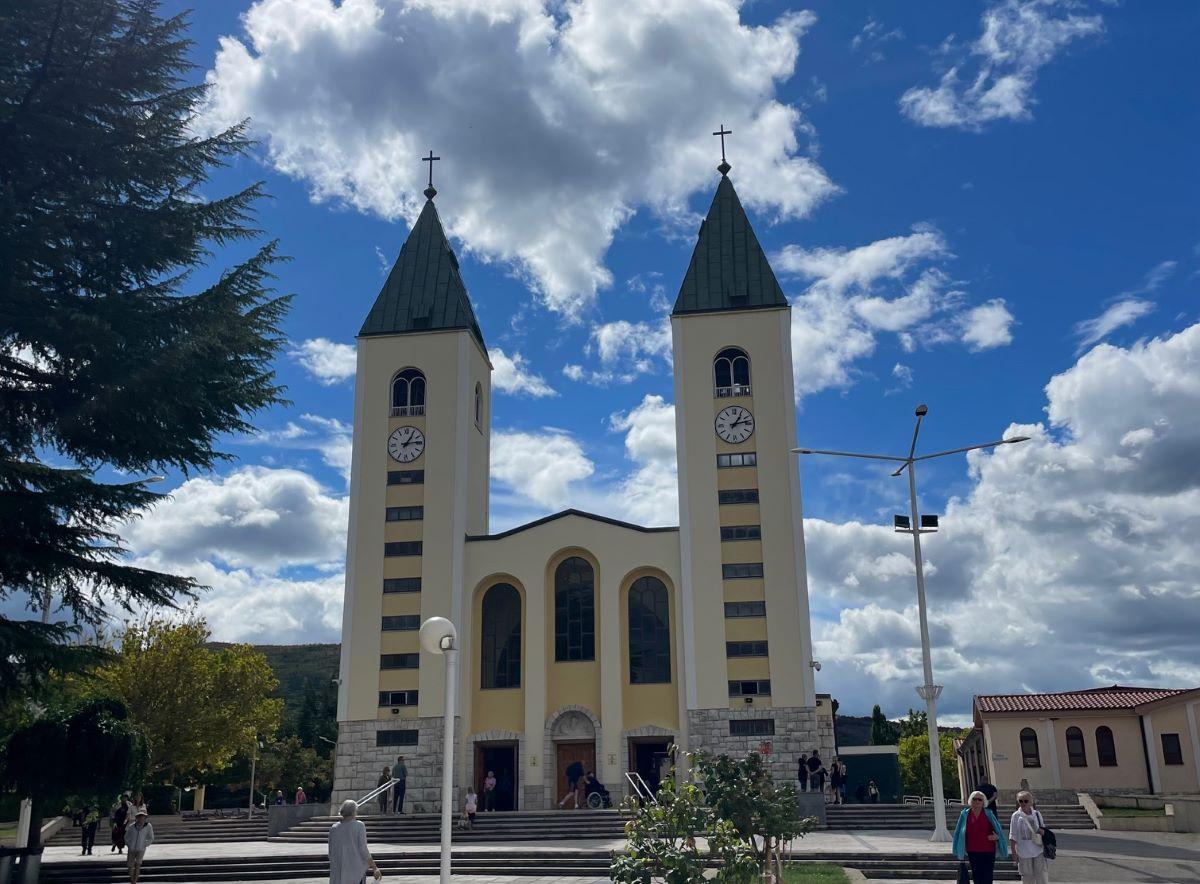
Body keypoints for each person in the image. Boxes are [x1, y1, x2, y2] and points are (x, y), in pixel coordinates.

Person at [953, 790, 1009, 884]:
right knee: (977, 877)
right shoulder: (964, 814)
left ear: (983, 802)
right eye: (975, 799)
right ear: (971, 800)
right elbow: (958, 832)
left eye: (980, 799)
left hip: (988, 850)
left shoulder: (988, 814)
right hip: (973, 850)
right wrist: (957, 849)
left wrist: (997, 837)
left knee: (987, 877)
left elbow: (998, 830)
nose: (977, 801)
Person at [328, 800, 382, 884]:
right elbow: (363, 849)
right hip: (355, 870)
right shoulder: (359, 826)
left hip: (338, 871)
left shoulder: (334, 828)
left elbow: (331, 852)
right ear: (353, 812)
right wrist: (375, 868)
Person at [1009, 790, 1049, 884]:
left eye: (1026, 801)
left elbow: (1044, 830)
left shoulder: (1037, 814)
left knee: (1042, 877)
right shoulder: (1016, 816)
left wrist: (1041, 831)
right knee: (1027, 878)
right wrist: (1014, 853)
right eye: (1020, 801)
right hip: (1023, 852)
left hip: (1038, 850)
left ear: (1031, 802)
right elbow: (1012, 835)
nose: (1023, 803)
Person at [125, 806, 154, 884]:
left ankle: (134, 881)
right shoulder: (132, 826)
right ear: (137, 818)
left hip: (141, 849)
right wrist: (129, 844)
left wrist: (145, 844)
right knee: (130, 866)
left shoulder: (148, 826)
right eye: (139, 817)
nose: (141, 818)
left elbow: (151, 838)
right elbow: (126, 837)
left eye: (143, 817)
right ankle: (132, 879)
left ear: (145, 818)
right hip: (131, 849)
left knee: (138, 865)